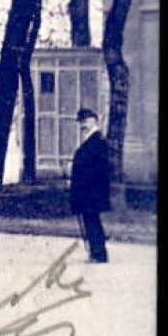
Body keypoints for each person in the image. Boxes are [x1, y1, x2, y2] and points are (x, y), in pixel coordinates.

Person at [70, 108, 112, 264]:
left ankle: (99, 254)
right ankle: (96, 252)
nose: (83, 125)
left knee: (92, 221)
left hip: (91, 190)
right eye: (81, 122)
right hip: (88, 190)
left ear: (94, 120)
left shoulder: (97, 141)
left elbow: (96, 168)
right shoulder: (90, 139)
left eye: (86, 121)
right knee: (90, 220)